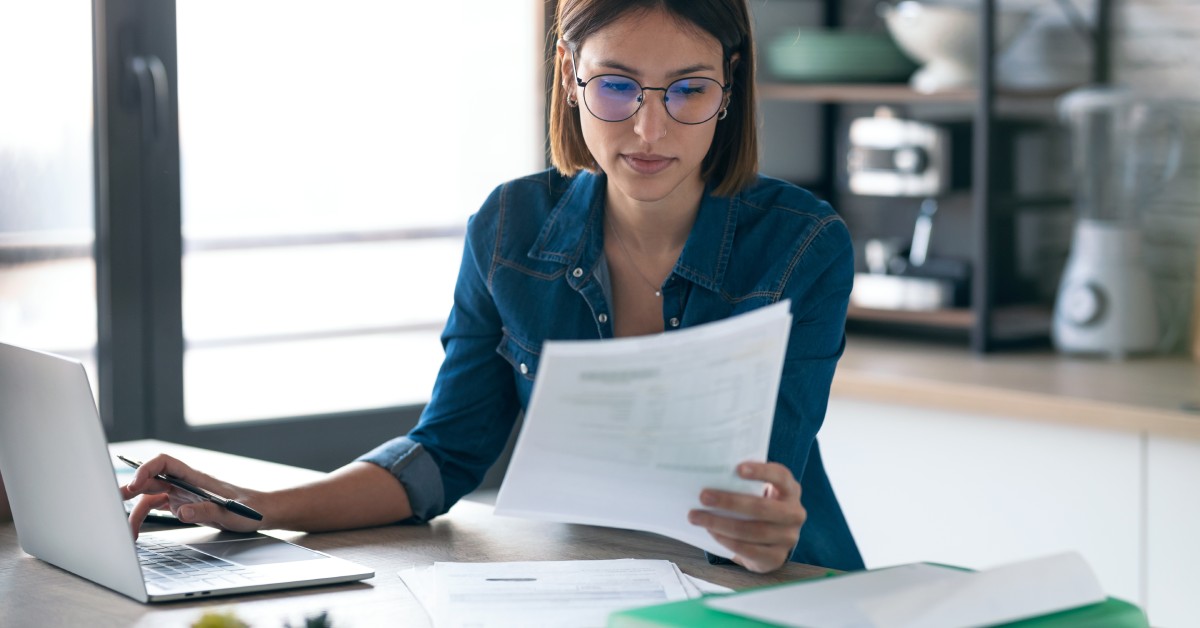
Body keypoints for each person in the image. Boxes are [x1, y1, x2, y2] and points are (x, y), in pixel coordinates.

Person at [122, 0, 864, 574]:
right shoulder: (510, 227)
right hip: (595, 587)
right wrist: (257, 506)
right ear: (569, 73)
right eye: (615, 86)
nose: (648, 130)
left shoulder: (803, 245)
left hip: (778, 587)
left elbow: (764, 490)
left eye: (688, 90)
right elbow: (442, 455)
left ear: (730, 84)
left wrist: (765, 533)